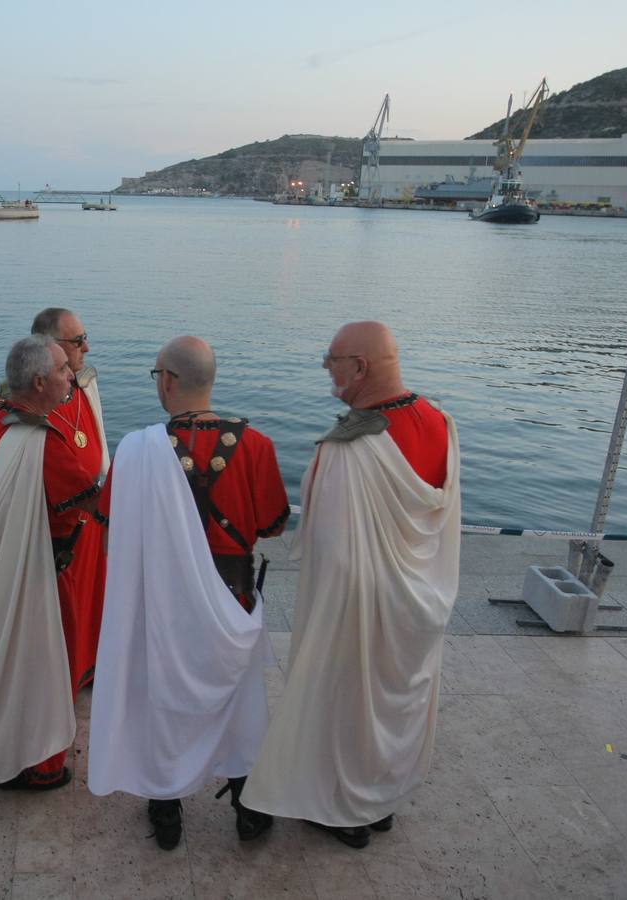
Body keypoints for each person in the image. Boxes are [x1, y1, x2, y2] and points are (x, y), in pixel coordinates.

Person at [241, 321, 461, 849]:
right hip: (418, 602)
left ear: (359, 368)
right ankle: (380, 800)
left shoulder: (349, 450)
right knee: (391, 704)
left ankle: (343, 811)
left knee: (347, 701)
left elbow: (333, 552)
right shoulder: (440, 421)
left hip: (361, 605)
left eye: (331, 359)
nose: (325, 367)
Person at [89, 336, 289, 850]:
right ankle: (248, 809)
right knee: (241, 701)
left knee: (166, 702)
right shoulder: (258, 445)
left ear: (168, 380)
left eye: (155, 374)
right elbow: (272, 525)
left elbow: (110, 531)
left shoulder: (136, 451)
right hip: (233, 600)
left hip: (164, 603)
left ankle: (166, 809)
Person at [0, 335, 98, 791]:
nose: (71, 377)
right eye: (62, 370)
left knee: (9, 666)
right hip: (42, 577)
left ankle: (4, 745)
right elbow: (95, 505)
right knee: (42, 668)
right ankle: (40, 765)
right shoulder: (44, 443)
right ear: (39, 382)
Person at [0, 308, 109, 696]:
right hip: (55, 536)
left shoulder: (83, 386)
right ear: (49, 351)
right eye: (77, 343)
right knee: (62, 620)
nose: (86, 349)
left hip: (88, 527)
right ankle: (58, 692)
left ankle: (90, 668)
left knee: (94, 605)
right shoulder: (22, 419)